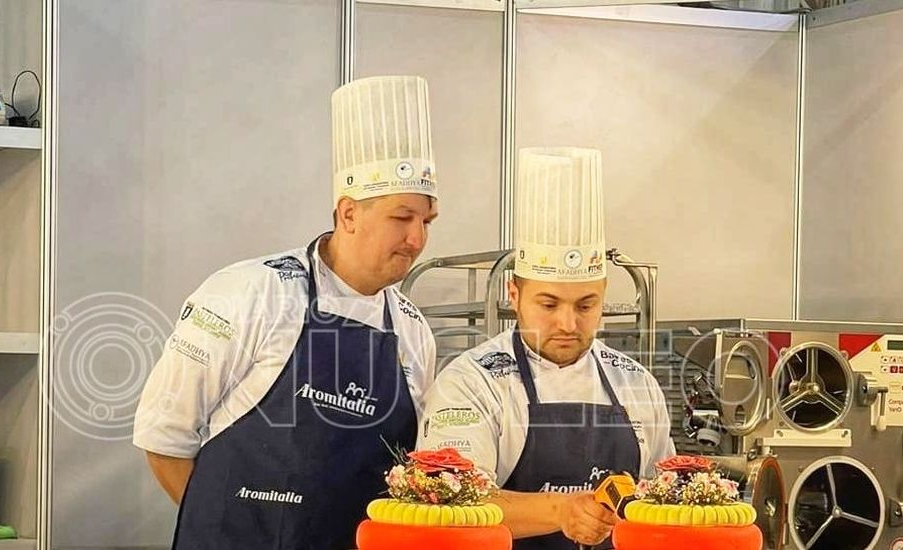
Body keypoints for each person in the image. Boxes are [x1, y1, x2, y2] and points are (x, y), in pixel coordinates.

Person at [133, 75, 439, 550]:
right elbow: (163, 439)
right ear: (348, 214)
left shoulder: (413, 332)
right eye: (401, 218)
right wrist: (225, 531)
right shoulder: (250, 292)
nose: (417, 239)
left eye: (426, 222)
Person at [417, 147, 674, 549]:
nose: (568, 324)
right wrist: (561, 512)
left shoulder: (636, 383)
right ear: (514, 294)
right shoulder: (472, 383)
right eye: (549, 304)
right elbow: (450, 503)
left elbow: (661, 504)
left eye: (586, 305)